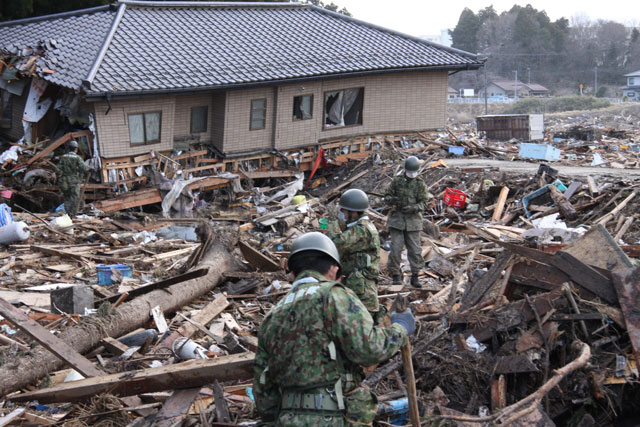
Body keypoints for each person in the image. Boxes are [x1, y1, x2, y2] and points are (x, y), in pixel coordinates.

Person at [254, 232, 416, 426]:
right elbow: (369, 349)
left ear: (292, 274)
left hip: (287, 419)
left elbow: (264, 393)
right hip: (333, 417)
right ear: (333, 269)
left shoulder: (271, 316)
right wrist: (400, 328)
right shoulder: (334, 296)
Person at [326, 189, 382, 321]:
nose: (342, 214)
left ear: (354, 212)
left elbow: (336, 243)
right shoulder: (358, 228)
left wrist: (333, 221)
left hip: (362, 292)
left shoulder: (362, 230)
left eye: (344, 211)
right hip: (357, 286)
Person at [384, 156, 429, 287]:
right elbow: (386, 196)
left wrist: (414, 208)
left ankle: (415, 275)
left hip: (413, 221)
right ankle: (395, 275)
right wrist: (392, 200)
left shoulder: (420, 184)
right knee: (396, 248)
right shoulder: (397, 181)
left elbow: (424, 202)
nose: (412, 175)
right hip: (397, 220)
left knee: (415, 250)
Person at [55, 140, 90, 216]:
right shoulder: (77, 158)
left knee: (67, 198)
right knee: (74, 198)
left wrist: (60, 177)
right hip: (74, 181)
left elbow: (57, 170)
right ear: (76, 149)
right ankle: (72, 215)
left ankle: (67, 214)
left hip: (65, 181)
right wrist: (89, 168)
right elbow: (84, 168)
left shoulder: (63, 157)